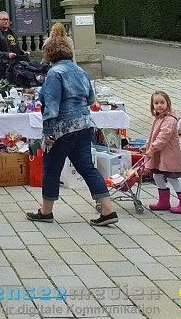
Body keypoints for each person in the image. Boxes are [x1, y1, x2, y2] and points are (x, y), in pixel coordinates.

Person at [28, 22, 119, 227]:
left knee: (51, 169)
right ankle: (108, 209)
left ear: (50, 55)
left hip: (63, 129)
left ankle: (46, 211)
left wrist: (48, 132)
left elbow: (51, 106)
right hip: (84, 125)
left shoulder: (54, 74)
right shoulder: (81, 72)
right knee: (87, 168)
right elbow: (90, 99)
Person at [144, 90, 181, 214]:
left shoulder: (169, 120)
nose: (159, 105)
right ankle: (164, 201)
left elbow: (162, 138)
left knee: (172, 178)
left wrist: (152, 149)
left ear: (168, 103)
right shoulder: (159, 118)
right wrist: (147, 146)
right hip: (159, 154)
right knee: (157, 175)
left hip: (168, 154)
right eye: (156, 103)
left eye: (162, 102)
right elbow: (153, 135)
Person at [0, 11, 19, 82]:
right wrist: (7, 55)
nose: (6, 21)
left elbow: (15, 45)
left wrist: (22, 53)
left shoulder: (12, 32)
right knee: (3, 87)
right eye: (4, 19)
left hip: (14, 64)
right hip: (2, 67)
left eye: (7, 19)